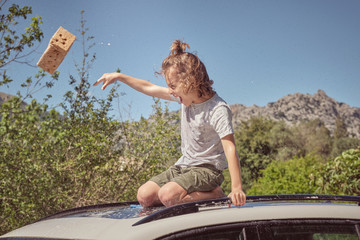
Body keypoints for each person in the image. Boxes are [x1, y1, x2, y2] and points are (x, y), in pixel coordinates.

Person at [93, 40, 246, 207]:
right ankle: (187, 195)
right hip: (183, 166)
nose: (171, 92)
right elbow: (149, 87)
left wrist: (236, 187)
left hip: (208, 170)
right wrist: (119, 76)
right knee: (144, 196)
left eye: (172, 86)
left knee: (168, 196)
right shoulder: (185, 96)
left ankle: (214, 194)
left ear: (190, 80)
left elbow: (230, 148)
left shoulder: (217, 109)